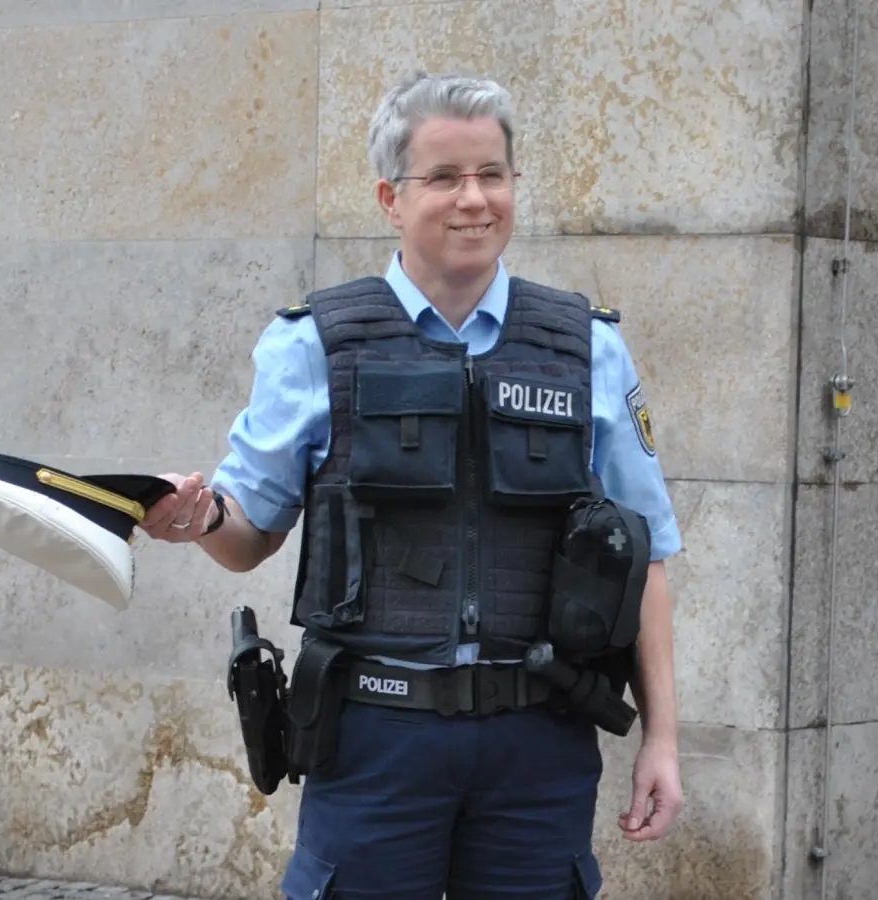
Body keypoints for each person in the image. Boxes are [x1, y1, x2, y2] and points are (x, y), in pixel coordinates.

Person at [139, 71, 684, 899]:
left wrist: (664, 741)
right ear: (392, 197)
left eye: (492, 174)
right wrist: (198, 516)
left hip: (538, 746)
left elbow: (646, 555)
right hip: (375, 743)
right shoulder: (314, 346)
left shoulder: (588, 349)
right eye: (445, 178)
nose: (475, 199)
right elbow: (249, 536)